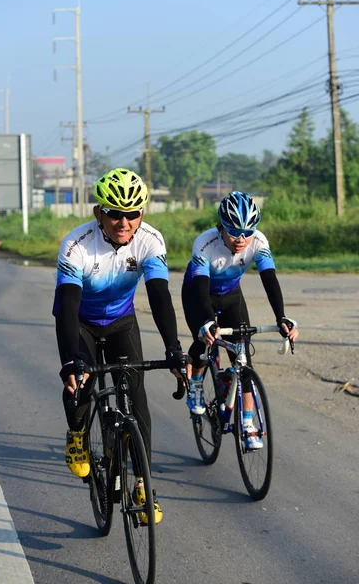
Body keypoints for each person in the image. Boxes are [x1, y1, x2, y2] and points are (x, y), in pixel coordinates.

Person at [53, 168, 190, 524]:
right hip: (80, 320)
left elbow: (160, 296)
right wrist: (70, 361)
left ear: (142, 213)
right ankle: (77, 432)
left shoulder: (151, 241)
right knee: (81, 383)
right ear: (99, 212)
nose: (124, 221)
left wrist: (174, 349)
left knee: (137, 394)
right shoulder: (76, 244)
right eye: (115, 213)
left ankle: (144, 484)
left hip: (120, 321)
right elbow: (67, 305)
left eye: (132, 213)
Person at [182, 191, 299, 449]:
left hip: (231, 295)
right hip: (199, 294)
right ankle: (196, 384)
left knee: (243, 358)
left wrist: (281, 317)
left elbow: (270, 280)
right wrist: (206, 322)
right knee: (204, 341)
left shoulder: (258, 241)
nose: (241, 239)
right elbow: (201, 289)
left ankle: (248, 424)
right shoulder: (205, 243)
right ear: (222, 226)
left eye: (248, 232)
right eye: (234, 231)